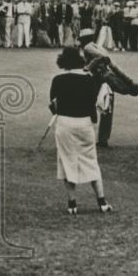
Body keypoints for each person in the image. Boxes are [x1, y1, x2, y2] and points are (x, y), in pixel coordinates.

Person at [48, 47, 113, 214]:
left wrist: (57, 109)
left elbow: (54, 106)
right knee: (91, 161)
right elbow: (93, 105)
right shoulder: (90, 80)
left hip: (64, 124)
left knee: (67, 162)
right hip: (85, 124)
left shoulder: (58, 80)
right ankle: (102, 202)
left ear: (63, 61)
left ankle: (72, 205)